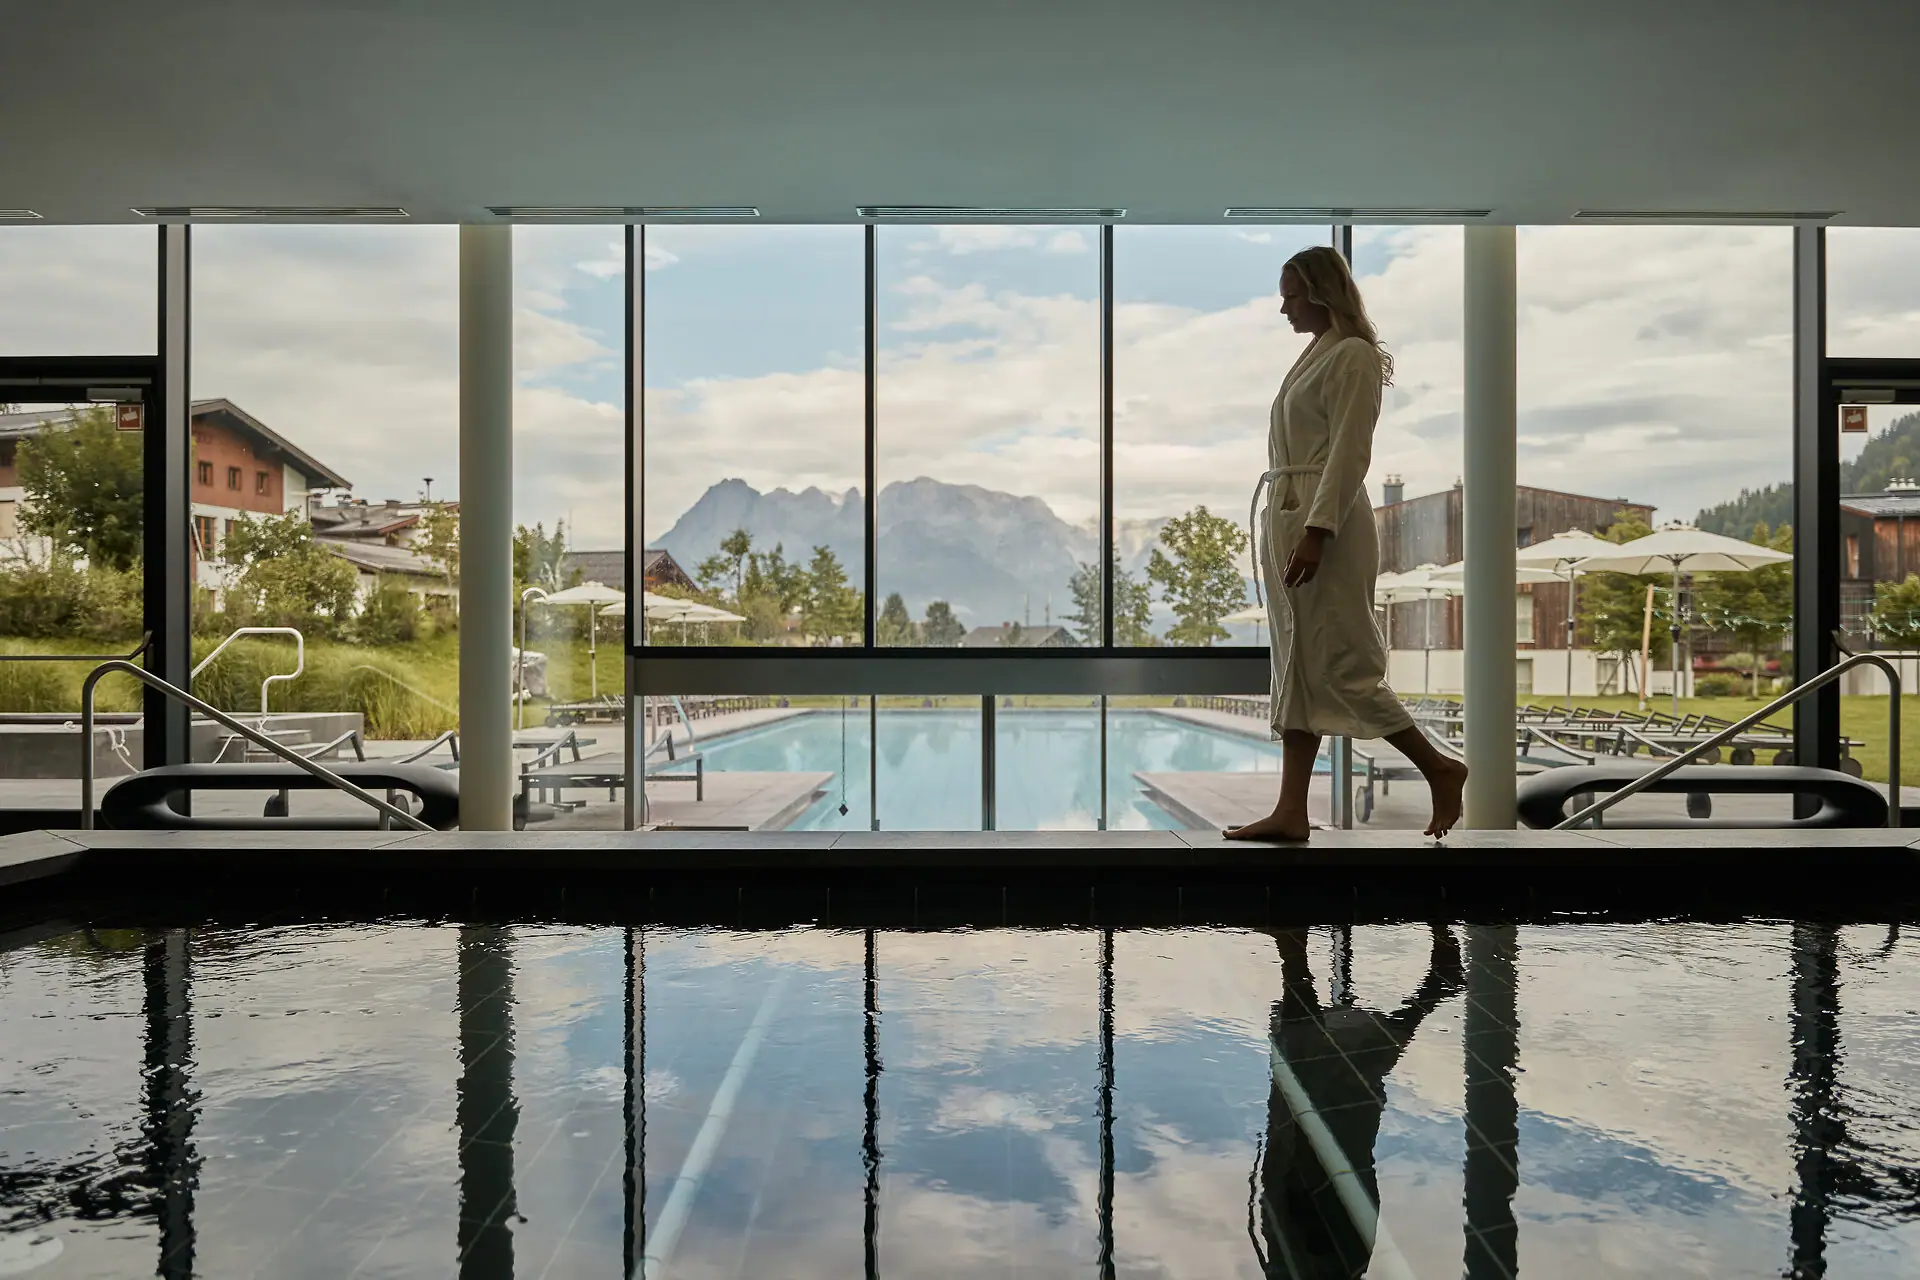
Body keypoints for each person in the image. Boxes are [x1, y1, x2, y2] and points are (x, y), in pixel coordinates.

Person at [1224, 246, 1467, 842]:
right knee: (1300, 665)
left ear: (1321, 291)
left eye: (1291, 295)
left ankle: (1440, 767)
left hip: (1323, 526)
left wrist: (1316, 530)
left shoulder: (1353, 357)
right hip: (1295, 516)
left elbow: (1350, 452)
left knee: (1344, 662)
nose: (1283, 308)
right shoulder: (1318, 353)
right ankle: (1290, 811)